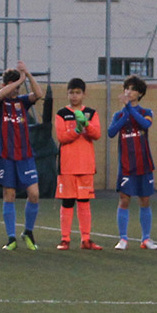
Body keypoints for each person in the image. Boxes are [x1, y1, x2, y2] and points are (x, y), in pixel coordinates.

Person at [0, 60, 45, 251]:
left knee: (34, 194)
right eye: (12, 85)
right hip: (7, 156)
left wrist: (27, 75)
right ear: (6, 85)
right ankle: (11, 238)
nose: (16, 90)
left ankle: (28, 232)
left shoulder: (22, 102)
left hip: (25, 156)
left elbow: (39, 94)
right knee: (9, 195)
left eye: (18, 86)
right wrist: (18, 80)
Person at [107, 75, 157, 251]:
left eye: (133, 89)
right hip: (127, 166)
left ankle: (146, 239)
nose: (129, 91)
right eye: (127, 88)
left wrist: (130, 108)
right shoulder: (118, 115)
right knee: (124, 200)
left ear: (140, 94)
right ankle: (123, 239)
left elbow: (145, 124)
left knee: (144, 200)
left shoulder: (147, 112)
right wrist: (125, 114)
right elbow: (111, 132)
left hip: (144, 164)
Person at [54, 77, 103, 251]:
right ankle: (65, 239)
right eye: (71, 93)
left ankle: (86, 239)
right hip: (67, 166)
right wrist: (76, 130)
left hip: (85, 165)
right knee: (67, 202)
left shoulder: (91, 112)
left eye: (77, 93)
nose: (74, 96)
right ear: (67, 93)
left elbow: (96, 134)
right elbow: (61, 137)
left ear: (84, 94)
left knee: (84, 202)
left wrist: (86, 125)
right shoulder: (61, 114)